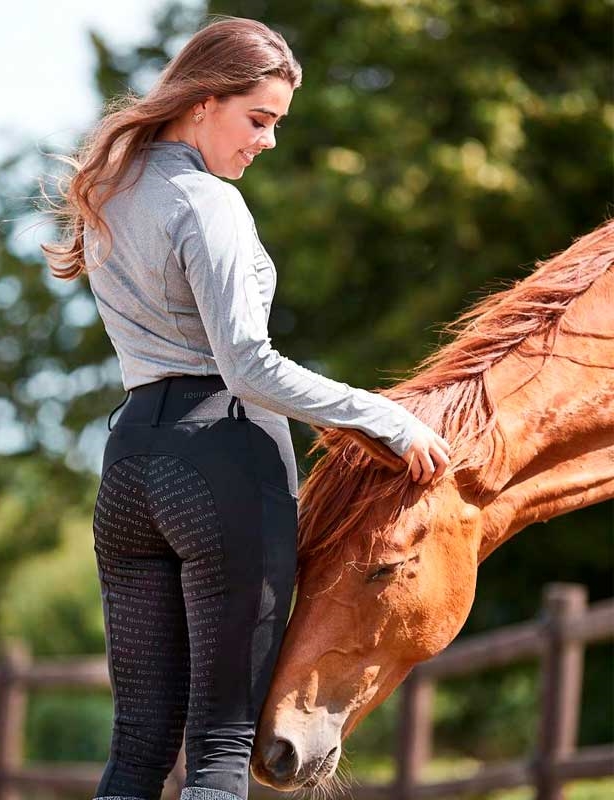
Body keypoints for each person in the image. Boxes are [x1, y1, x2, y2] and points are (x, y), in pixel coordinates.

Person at [40, 15, 450, 800]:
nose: (266, 142)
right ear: (202, 101)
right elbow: (247, 364)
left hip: (129, 464)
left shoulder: (111, 191)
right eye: (257, 120)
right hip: (223, 463)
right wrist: (382, 417)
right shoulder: (208, 201)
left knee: (135, 748)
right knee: (223, 744)